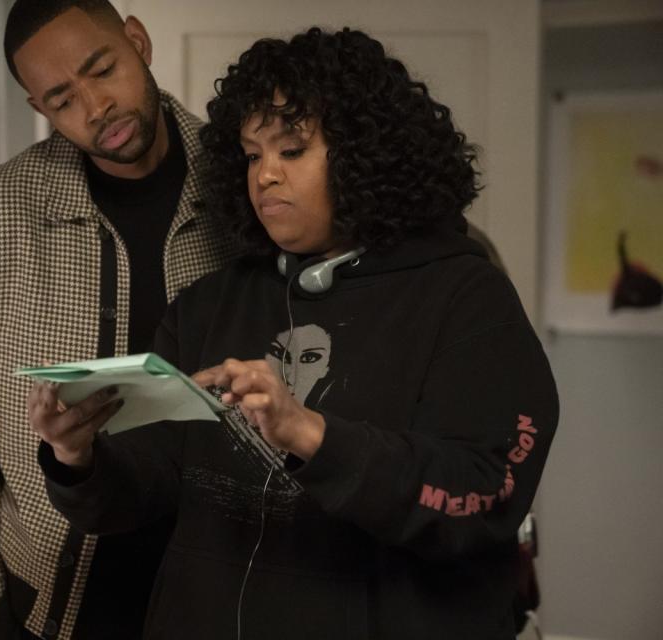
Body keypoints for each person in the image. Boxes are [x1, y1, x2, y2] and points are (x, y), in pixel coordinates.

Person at [31, 27, 559, 639]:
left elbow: (483, 498)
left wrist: (308, 432)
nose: (265, 176)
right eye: (253, 155)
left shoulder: (468, 299)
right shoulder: (208, 306)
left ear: (367, 153)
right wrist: (76, 457)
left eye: (291, 150)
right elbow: (143, 493)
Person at [0, 1, 235, 638]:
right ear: (39, 109)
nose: (94, 108)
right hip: (61, 595)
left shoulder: (247, 182)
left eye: (102, 70)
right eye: (62, 99)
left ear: (137, 42)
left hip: (230, 578)